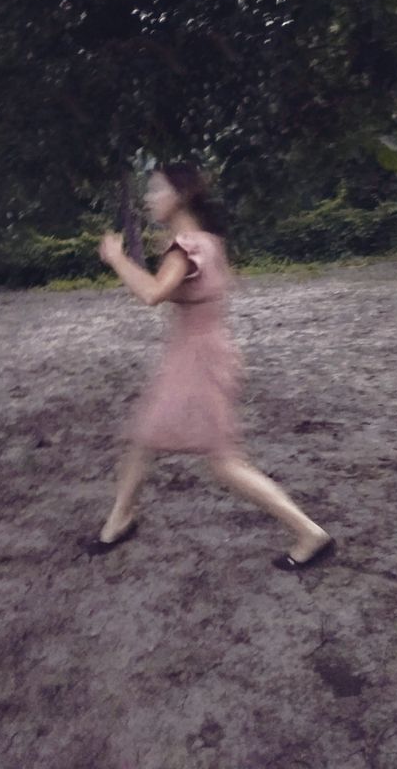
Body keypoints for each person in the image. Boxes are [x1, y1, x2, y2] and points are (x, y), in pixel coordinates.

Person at [82, 163, 334, 570]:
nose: (149, 198)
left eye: (156, 190)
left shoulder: (186, 247)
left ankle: (308, 532)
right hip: (202, 355)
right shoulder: (208, 242)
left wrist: (117, 259)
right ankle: (119, 519)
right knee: (144, 437)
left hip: (196, 362)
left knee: (223, 461)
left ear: (180, 196)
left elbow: (153, 294)